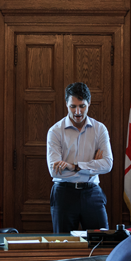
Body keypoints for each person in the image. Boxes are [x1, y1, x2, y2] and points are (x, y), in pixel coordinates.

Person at [46, 82, 113, 233]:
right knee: (63, 246)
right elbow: (55, 171)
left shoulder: (100, 129)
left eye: (82, 106)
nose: (77, 111)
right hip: (64, 193)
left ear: (89, 103)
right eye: (72, 106)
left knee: (102, 243)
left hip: (92, 193)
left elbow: (108, 164)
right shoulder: (55, 131)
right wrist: (93, 166)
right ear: (66, 104)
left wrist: (73, 166)